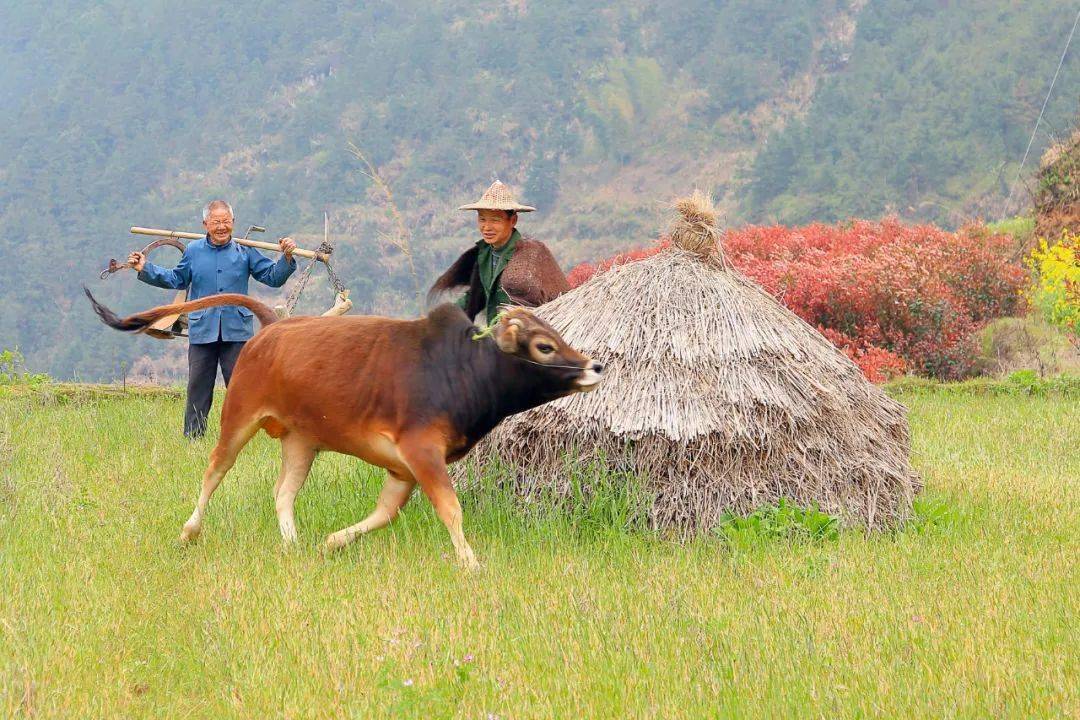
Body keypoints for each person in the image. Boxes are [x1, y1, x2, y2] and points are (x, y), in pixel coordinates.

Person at [129, 200, 297, 438]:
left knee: (241, 390)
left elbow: (272, 277)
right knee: (198, 389)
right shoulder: (194, 251)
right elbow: (176, 279)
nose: (221, 227)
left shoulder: (245, 250)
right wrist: (145, 268)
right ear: (205, 224)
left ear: (233, 223)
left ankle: (240, 438)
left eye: (226, 221)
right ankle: (194, 439)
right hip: (202, 331)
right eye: (216, 222)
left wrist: (286, 259)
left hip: (236, 331)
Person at [429, 180, 569, 324]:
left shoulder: (532, 253)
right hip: (497, 336)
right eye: (482, 219)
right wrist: (444, 317)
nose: (486, 227)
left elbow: (545, 300)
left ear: (513, 220)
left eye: (495, 220)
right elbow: (476, 295)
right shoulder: (484, 255)